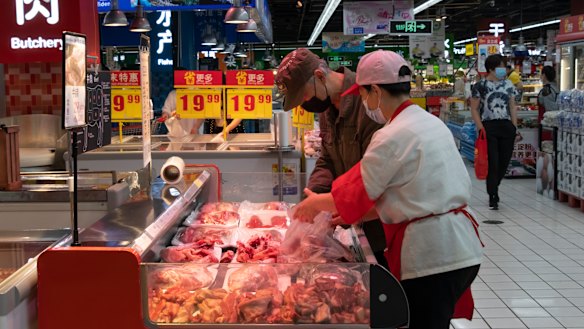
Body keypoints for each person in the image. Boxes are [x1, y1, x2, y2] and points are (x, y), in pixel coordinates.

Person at [292, 50, 483, 329]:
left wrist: (313, 204)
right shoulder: (429, 122)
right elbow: (407, 190)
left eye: (365, 94)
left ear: (376, 91)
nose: (364, 100)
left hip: (432, 256)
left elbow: (354, 192)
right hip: (460, 247)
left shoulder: (392, 135)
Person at [275, 48, 386, 266]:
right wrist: (313, 195)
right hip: (351, 218)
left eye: (305, 95)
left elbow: (374, 171)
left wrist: (328, 203)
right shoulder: (326, 107)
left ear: (319, 76)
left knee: (384, 284)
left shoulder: (368, 104)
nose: (306, 103)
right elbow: (327, 158)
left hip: (378, 220)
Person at [470, 54, 518, 210]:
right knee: (493, 163)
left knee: (504, 162)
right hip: (488, 127)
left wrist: (514, 126)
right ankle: (493, 194)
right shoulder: (480, 86)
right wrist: (480, 127)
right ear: (491, 68)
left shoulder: (509, 84)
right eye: (501, 66)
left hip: (506, 126)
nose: (504, 69)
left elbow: (512, 106)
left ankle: (494, 185)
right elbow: (474, 109)